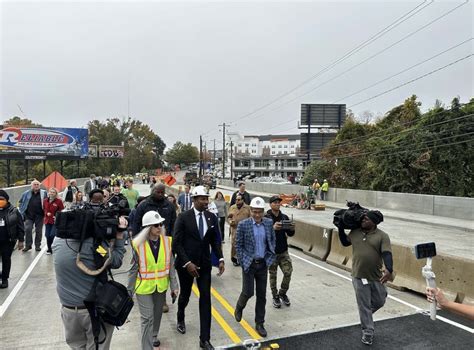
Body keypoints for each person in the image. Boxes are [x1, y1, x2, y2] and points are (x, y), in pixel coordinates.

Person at [52, 188, 127, 349]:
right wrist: (119, 235)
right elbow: (117, 261)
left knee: (78, 346)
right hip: (92, 312)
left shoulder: (57, 243)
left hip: (68, 310)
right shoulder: (96, 249)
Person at [172, 185, 225, 350]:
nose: (205, 202)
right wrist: (187, 263)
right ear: (194, 200)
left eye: (206, 198)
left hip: (205, 265)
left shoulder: (211, 217)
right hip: (186, 265)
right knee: (185, 296)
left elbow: (215, 240)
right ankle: (180, 316)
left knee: (206, 299)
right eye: (202, 199)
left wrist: (221, 258)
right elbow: (176, 243)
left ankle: (205, 339)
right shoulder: (183, 217)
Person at [336, 210, 393, 346]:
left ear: (374, 222)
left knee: (380, 301)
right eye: (363, 219)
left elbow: (387, 253)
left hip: (375, 276)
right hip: (358, 275)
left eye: (367, 219)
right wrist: (340, 228)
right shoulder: (355, 232)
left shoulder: (382, 236)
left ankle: (365, 316)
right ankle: (368, 331)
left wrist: (389, 269)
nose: (363, 221)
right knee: (364, 305)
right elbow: (345, 243)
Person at [128, 211, 179, 349]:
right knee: (147, 318)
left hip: (160, 286)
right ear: (148, 228)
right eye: (156, 225)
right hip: (143, 287)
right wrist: (129, 292)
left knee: (157, 315)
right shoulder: (137, 244)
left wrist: (174, 286)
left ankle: (154, 335)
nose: (160, 227)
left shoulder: (167, 242)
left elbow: (171, 266)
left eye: (161, 224)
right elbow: (133, 270)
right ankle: (147, 347)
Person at [234, 196, 276, 338]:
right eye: (254, 212)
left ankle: (260, 323)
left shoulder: (269, 223)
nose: (257, 215)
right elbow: (238, 244)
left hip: (263, 264)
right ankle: (239, 306)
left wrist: (270, 257)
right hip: (249, 264)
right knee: (248, 292)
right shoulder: (243, 225)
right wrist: (242, 259)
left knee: (262, 295)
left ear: (263, 212)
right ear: (250, 211)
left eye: (260, 212)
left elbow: (272, 240)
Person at [265, 195, 295, 309]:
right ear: (270, 204)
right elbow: (263, 233)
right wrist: (272, 228)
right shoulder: (266, 218)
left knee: (288, 272)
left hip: (283, 251)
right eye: (275, 202)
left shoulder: (284, 216)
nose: (277, 204)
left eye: (279, 202)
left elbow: (290, 234)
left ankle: (282, 292)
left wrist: (292, 228)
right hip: (272, 252)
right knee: (273, 275)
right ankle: (275, 296)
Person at [0, 189, 25, 288]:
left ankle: (5, 279)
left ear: (6, 200)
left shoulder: (13, 211)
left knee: (6, 259)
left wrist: (21, 240)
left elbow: (20, 226)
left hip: (8, 241)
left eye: (2, 199)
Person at [18, 180, 48, 252]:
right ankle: (28, 245)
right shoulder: (26, 193)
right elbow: (20, 202)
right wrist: (21, 210)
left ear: (39, 185)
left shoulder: (44, 193)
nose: (36, 185)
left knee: (38, 231)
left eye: (37, 184)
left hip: (39, 215)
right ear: (31, 185)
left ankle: (37, 245)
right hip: (29, 215)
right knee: (28, 229)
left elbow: (48, 202)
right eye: (34, 184)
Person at [227, 195, 251, 266]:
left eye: (239, 199)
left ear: (243, 200)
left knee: (244, 245)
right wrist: (230, 221)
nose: (237, 201)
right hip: (235, 229)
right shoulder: (232, 207)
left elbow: (251, 218)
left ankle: (242, 259)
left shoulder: (248, 208)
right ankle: (234, 259)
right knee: (234, 245)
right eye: (236, 200)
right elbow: (228, 217)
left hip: (245, 230)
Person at [43, 187, 64, 255]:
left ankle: (53, 247)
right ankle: (49, 249)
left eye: (53, 192)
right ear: (48, 193)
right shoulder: (45, 200)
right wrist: (46, 213)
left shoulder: (59, 201)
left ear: (56, 193)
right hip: (47, 220)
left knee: (52, 235)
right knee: (47, 235)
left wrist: (57, 216)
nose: (51, 193)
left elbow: (61, 210)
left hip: (55, 221)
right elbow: (44, 209)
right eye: (50, 192)